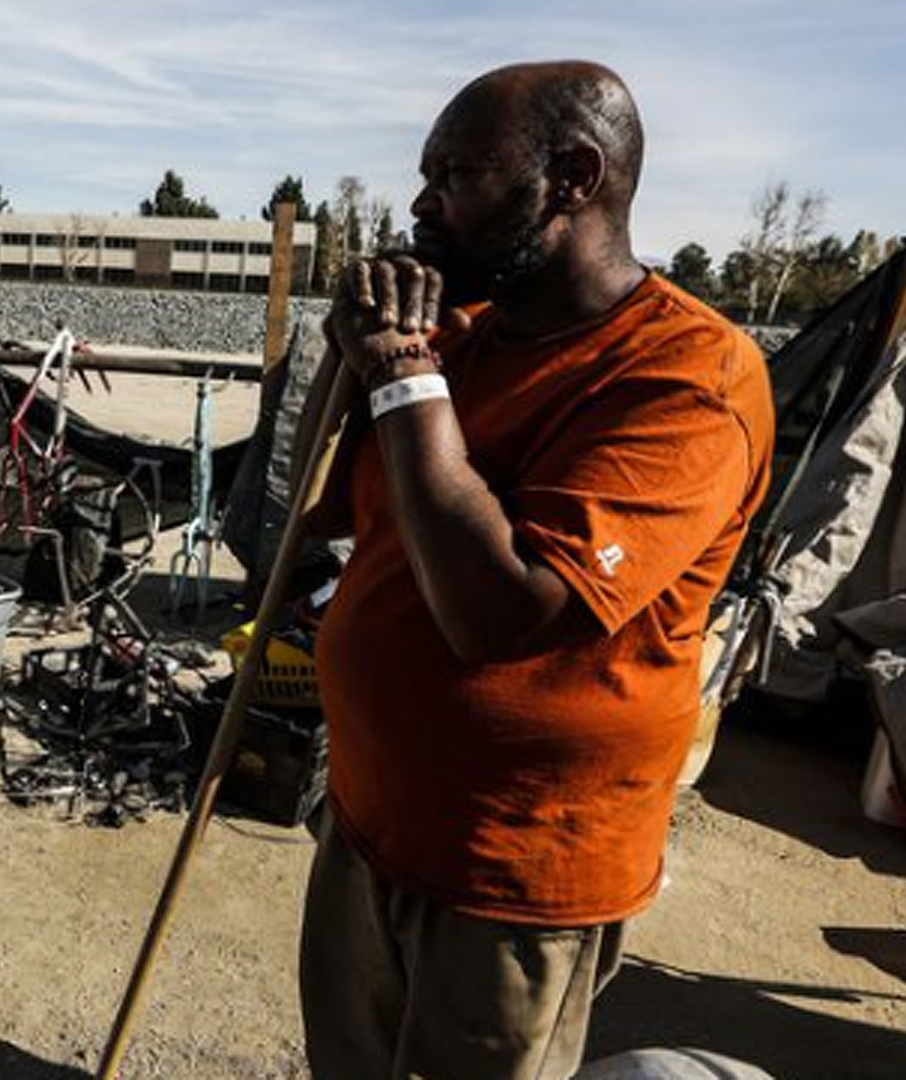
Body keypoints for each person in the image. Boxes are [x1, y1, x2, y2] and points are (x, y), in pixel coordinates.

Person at [296, 61, 775, 1079]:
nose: (422, 207)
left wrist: (402, 375)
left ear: (571, 177)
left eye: (456, 176)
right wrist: (350, 362)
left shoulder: (692, 377)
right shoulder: (458, 339)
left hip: (512, 875)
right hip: (369, 818)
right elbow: (309, 514)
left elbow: (500, 611)